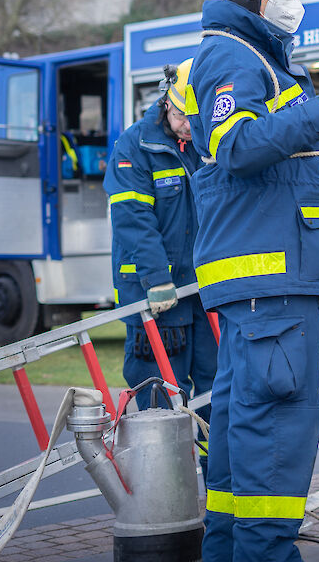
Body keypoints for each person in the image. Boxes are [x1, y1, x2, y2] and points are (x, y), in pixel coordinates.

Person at [188, 0, 319, 562]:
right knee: (275, 439)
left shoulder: (260, 55)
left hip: (264, 287)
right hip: (271, 284)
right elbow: (236, 148)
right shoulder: (232, 56)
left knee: (242, 439)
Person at [103, 58, 215, 435]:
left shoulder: (206, 140)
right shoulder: (134, 146)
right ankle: (167, 491)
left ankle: (217, 485)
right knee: (161, 404)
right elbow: (134, 220)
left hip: (202, 291)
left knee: (216, 396)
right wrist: (156, 277)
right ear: (167, 100)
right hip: (156, 297)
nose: (190, 124)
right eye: (185, 115)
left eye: (196, 116)